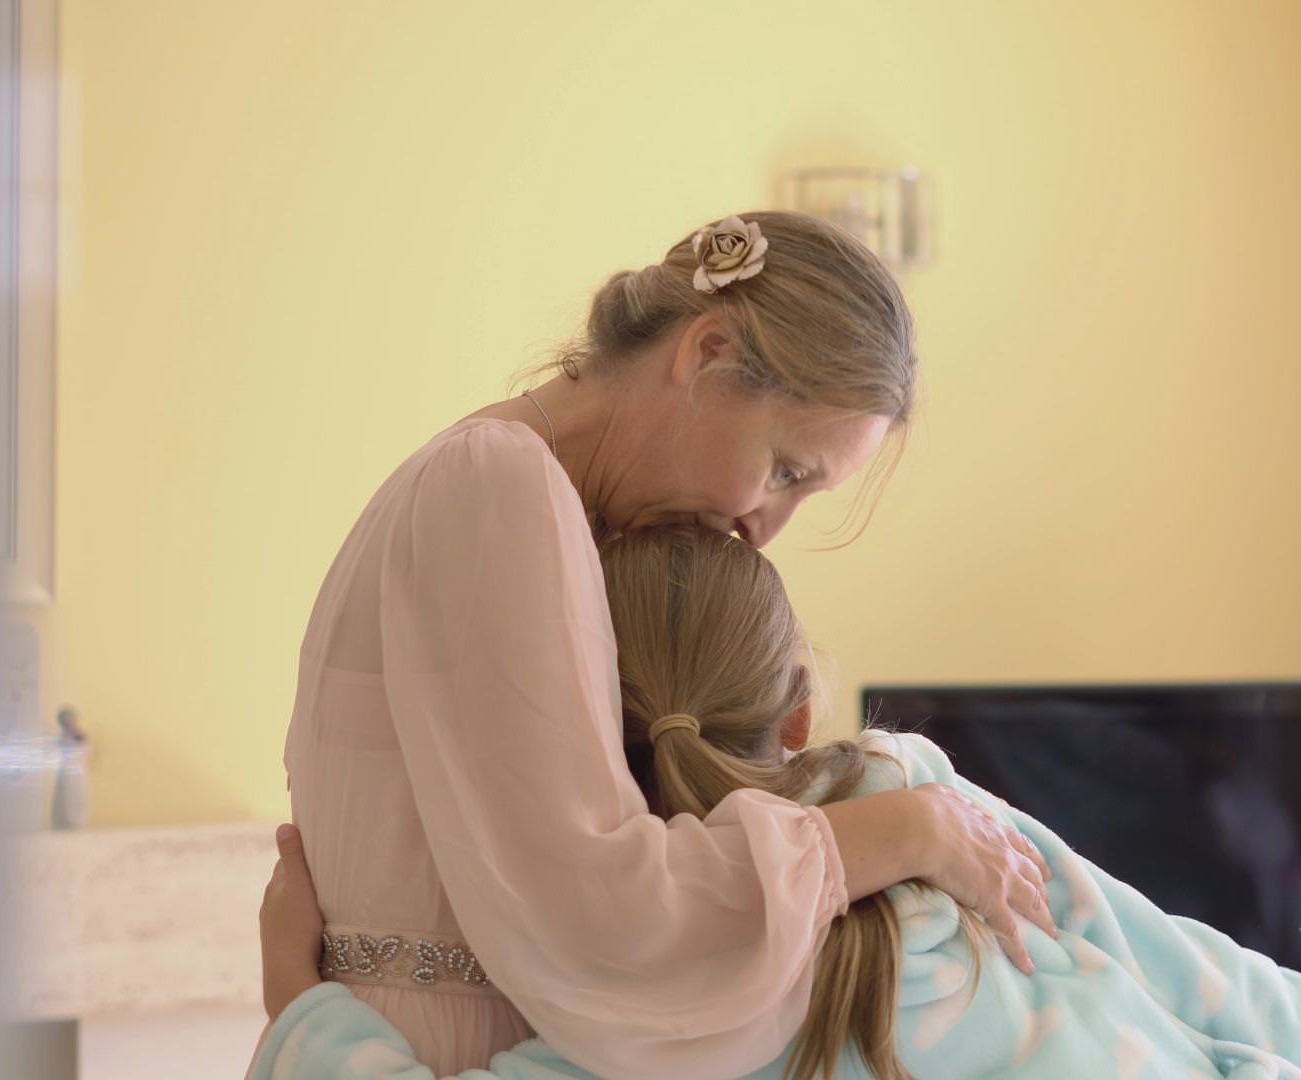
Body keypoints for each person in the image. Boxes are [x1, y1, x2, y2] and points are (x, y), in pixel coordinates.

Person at [279, 212, 1056, 1078]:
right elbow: (601, 916)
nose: (765, 528)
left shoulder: (524, 499)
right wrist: (910, 829)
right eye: (786, 470)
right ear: (708, 350)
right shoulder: (498, 484)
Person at [255, 526, 1301, 1080]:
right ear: (795, 720)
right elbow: (1183, 973)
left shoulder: (618, 1005)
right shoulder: (908, 791)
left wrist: (298, 1001)